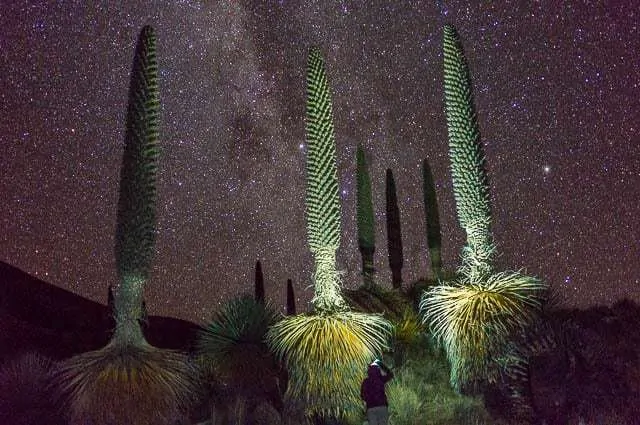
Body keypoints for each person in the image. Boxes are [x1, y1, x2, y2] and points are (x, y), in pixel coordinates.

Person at [360, 359, 394, 425]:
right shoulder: (381, 379)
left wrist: (368, 400)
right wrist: (380, 363)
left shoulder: (366, 381)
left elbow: (362, 395)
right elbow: (391, 374)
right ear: (378, 370)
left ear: (369, 371)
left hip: (371, 408)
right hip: (382, 407)